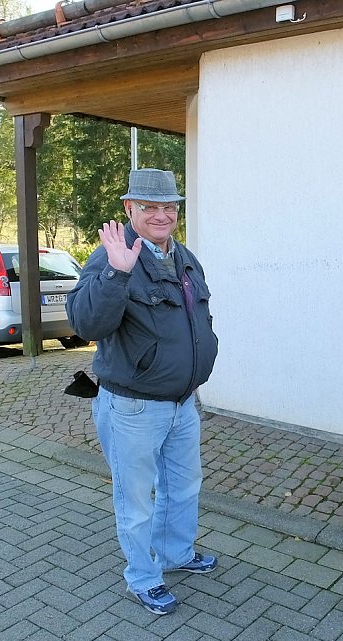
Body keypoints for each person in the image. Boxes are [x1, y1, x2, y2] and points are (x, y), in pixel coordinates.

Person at [66, 168, 219, 615]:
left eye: (169, 206)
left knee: (184, 486)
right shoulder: (110, 257)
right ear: (129, 209)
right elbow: (87, 324)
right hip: (133, 407)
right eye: (149, 207)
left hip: (182, 403)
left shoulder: (184, 256)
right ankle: (143, 577)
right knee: (136, 500)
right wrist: (116, 274)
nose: (161, 215)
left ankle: (176, 554)